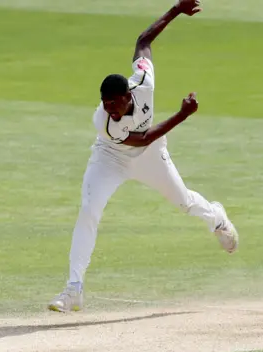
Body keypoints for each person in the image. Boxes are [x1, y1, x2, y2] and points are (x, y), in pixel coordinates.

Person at [48, 0, 239, 313]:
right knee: (88, 210)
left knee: (185, 203)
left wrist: (177, 10)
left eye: (115, 103)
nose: (111, 109)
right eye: (106, 104)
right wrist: (183, 114)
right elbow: (144, 136)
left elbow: (143, 41)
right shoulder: (105, 123)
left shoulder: (143, 80)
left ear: (128, 95)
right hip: (111, 158)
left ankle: (217, 219)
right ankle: (74, 289)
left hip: (151, 156)